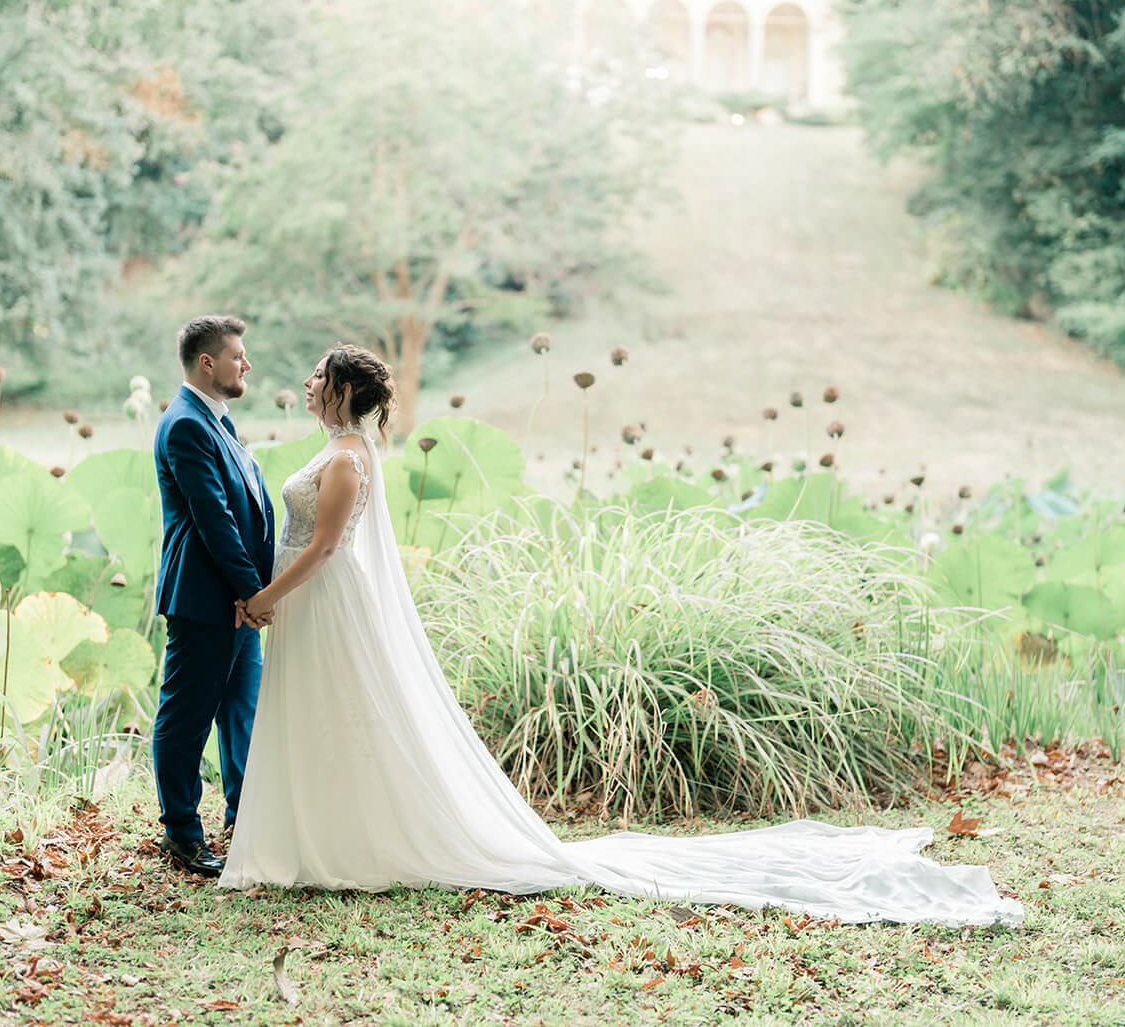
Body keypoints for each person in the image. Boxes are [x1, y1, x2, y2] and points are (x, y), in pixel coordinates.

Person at [220, 344, 1022, 926]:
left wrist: (262, 596)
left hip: (323, 595)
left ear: (342, 390)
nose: (305, 384)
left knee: (345, 712)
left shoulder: (352, 458)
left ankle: (350, 841)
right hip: (310, 598)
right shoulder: (337, 447)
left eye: (317, 377)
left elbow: (327, 545)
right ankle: (321, 833)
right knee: (320, 717)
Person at [152, 316, 276, 877]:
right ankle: (181, 833)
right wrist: (254, 591)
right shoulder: (185, 425)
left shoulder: (217, 422)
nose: (246, 365)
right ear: (209, 363)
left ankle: (244, 823)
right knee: (186, 718)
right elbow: (213, 521)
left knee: (241, 715)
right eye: (238, 356)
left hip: (237, 602)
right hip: (205, 599)